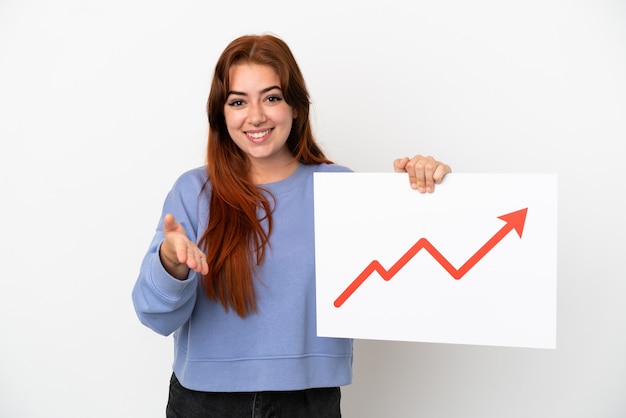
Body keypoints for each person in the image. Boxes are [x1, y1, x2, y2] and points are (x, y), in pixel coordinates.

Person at [132, 33, 452, 418]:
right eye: (238, 101)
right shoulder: (193, 190)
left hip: (307, 401)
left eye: (271, 97)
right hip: (205, 402)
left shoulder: (341, 188)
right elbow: (154, 316)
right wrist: (171, 262)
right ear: (221, 114)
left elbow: (414, 267)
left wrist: (428, 187)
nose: (256, 116)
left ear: (296, 107)